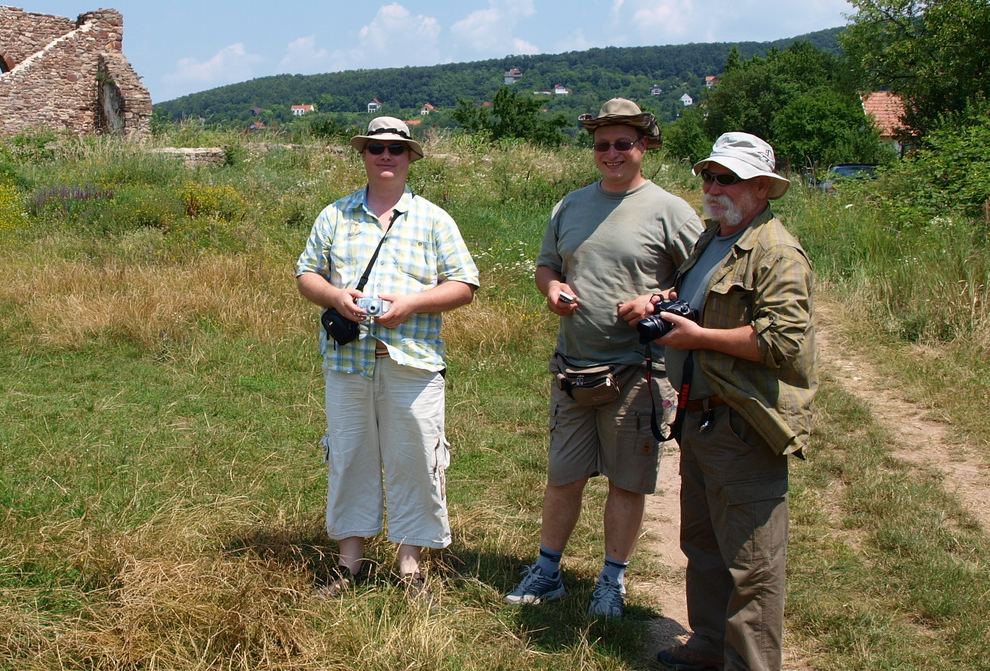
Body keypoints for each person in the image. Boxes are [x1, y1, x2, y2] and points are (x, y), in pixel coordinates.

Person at [619, 131, 816, 671]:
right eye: (709, 176)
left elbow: (782, 340)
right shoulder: (718, 237)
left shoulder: (777, 252)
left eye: (727, 179)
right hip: (701, 417)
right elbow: (698, 296)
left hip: (744, 421)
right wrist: (663, 301)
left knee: (752, 556)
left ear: (761, 188)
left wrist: (698, 338)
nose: (713, 188)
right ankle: (708, 641)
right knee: (702, 543)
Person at [505, 99, 703, 617]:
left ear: (644, 147)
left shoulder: (670, 211)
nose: (611, 153)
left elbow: (703, 284)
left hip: (637, 372)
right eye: (602, 145)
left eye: (623, 143)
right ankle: (548, 572)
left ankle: (611, 581)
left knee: (626, 480)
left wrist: (655, 301)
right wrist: (552, 289)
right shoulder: (571, 205)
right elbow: (547, 266)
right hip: (573, 367)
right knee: (563, 476)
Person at [295, 116, 479, 601]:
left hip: (413, 362)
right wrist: (336, 297)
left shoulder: (435, 219)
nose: (385, 156)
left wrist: (411, 305)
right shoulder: (334, 215)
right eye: (375, 147)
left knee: (416, 457)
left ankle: (410, 566)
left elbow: (465, 285)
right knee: (350, 455)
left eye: (396, 149)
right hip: (348, 364)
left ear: (410, 157)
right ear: (363, 154)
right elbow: (306, 275)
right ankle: (349, 562)